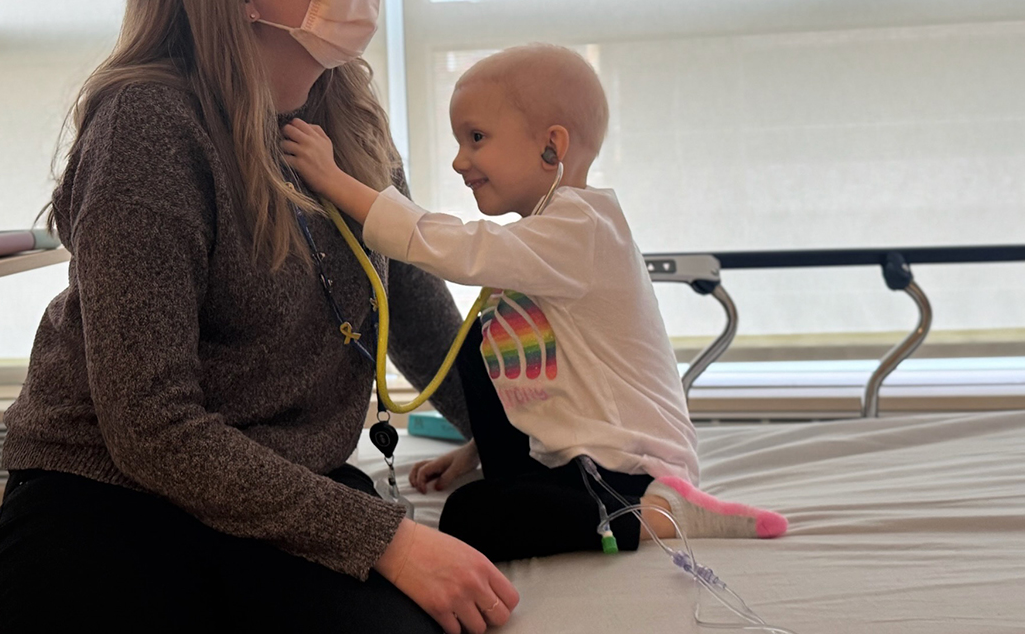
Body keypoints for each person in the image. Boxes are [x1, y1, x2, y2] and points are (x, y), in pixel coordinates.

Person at [0, 0, 519, 634]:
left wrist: (533, 452)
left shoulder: (347, 119)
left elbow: (414, 314)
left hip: (279, 499)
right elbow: (151, 428)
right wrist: (388, 540)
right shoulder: (147, 128)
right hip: (107, 505)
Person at [282, 44, 788, 562]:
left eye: (476, 138)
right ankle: (549, 490)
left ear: (552, 146)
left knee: (467, 518)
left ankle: (659, 514)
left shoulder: (583, 228)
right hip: (569, 458)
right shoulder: (546, 239)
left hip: (623, 467)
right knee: (484, 340)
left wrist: (337, 182)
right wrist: (473, 453)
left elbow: (455, 247)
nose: (459, 160)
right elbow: (548, 383)